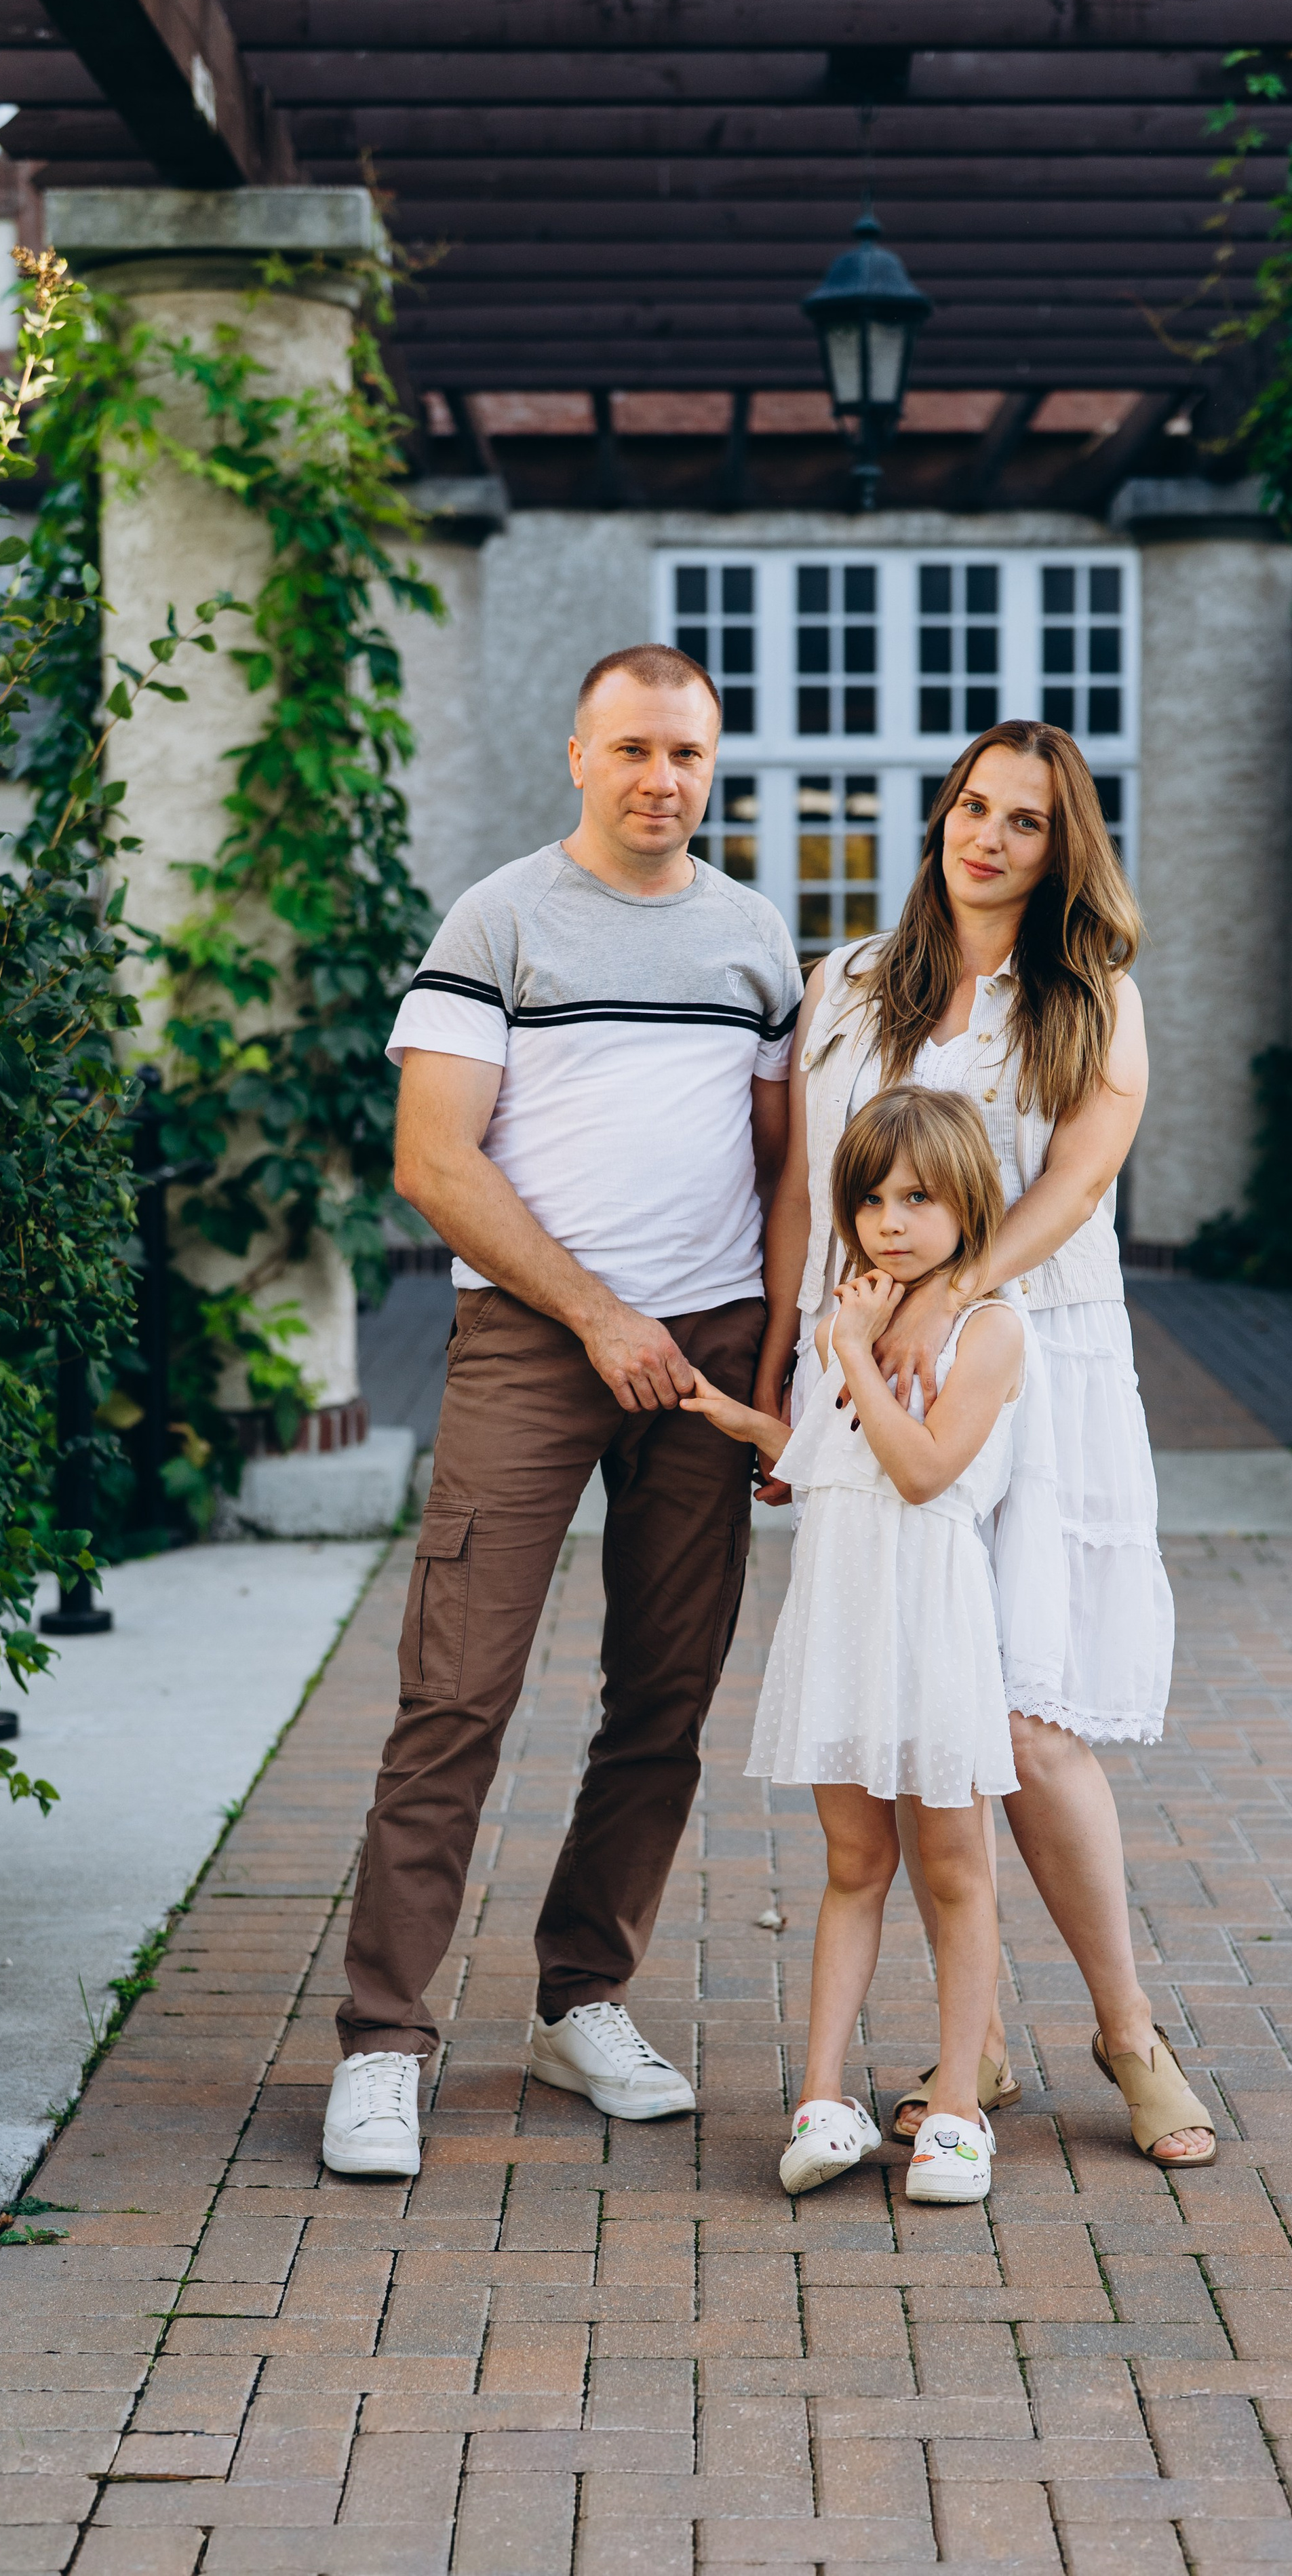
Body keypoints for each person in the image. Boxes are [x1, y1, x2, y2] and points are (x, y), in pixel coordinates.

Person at [322, 644, 802, 2180]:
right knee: (454, 1693)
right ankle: (385, 2041)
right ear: (578, 757)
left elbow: (785, 1167)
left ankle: (579, 1999)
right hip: (535, 1347)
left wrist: (776, 1370)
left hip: (712, 1356)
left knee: (662, 1700)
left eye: (688, 756)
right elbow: (434, 1164)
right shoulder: (501, 917)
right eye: (634, 751)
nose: (662, 780)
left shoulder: (750, 938)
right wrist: (598, 1316)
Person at [755, 720, 1216, 2171]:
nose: (987, 836)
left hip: (1038, 1355)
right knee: (922, 1713)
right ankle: (981, 2049)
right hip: (862, 1373)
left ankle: (1126, 2032)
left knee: (1024, 1720)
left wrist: (944, 1299)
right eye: (969, 806)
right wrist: (791, 1353)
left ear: (1060, 845)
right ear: (938, 819)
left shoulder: (1091, 999)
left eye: (1023, 819)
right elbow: (798, 1193)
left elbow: (1074, 1184)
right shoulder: (843, 986)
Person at [683, 1085, 1030, 2204]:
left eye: (918, 1198)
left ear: (968, 1203)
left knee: (955, 1867)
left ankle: (962, 2111)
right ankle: (823, 2096)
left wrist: (855, 1350)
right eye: (871, 1197)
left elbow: (924, 1471)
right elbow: (840, 1461)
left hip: (927, 1624)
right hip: (841, 1617)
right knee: (850, 1867)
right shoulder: (858, 1314)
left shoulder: (987, 1330)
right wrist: (755, 1424)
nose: (890, 1220)